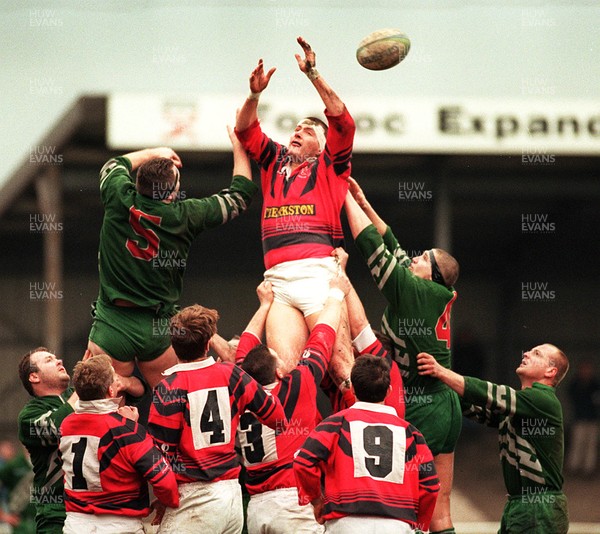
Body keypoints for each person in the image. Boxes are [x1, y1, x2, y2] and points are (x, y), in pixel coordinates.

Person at [87, 126, 258, 389]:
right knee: (173, 405)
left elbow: (114, 164)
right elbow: (240, 195)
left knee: (107, 404)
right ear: (172, 193)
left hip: (113, 321)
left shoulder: (117, 194)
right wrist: (238, 144)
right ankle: (222, 351)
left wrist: (155, 152)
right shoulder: (186, 215)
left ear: (137, 183)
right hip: (158, 328)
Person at [235, 36, 356, 387]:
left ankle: (361, 433)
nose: (298, 131)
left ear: (322, 146)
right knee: (284, 373)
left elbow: (343, 122)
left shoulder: (330, 166)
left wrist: (313, 73)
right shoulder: (274, 161)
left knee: (341, 368)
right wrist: (254, 95)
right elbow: (245, 129)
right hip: (278, 281)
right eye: (296, 127)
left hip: (318, 275)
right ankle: (298, 441)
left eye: (308, 129)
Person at [344, 179, 460, 534]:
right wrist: (364, 202)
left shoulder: (416, 290)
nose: (415, 257)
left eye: (424, 258)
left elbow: (372, 248)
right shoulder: (428, 290)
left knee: (407, 503)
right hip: (444, 403)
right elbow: (391, 245)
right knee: (440, 512)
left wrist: (340, 192)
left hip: (424, 404)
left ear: (433, 275)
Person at [148, 303, 288, 534]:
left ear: (173, 345)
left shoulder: (168, 389)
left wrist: (166, 499)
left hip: (193, 497)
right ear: (208, 343)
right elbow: (278, 419)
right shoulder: (232, 374)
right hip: (231, 498)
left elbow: (160, 461)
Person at [235, 274, 350, 534]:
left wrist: (264, 305)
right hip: (293, 501)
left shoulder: (241, 389)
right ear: (277, 373)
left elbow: (246, 344)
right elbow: (322, 338)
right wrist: (335, 294)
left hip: (256, 507)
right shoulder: (295, 387)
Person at [417, 343, 570, 534]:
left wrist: (442, 372)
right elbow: (477, 409)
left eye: (536, 353)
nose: (527, 353)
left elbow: (490, 393)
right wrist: (441, 391)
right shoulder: (519, 407)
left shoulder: (543, 400)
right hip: (521, 505)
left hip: (539, 508)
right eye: (529, 350)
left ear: (550, 371)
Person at [293, 354, 439, 534]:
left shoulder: (335, 425)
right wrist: (421, 525)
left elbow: (303, 462)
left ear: (352, 389)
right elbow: (431, 486)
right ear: (389, 391)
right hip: (397, 526)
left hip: (345, 525)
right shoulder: (413, 434)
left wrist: (316, 500)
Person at [17, 347, 141, 534]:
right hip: (57, 514)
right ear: (34, 377)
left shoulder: (77, 396)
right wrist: (84, 384)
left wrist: (124, 381)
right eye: (49, 360)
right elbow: (58, 426)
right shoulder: (29, 415)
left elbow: (140, 390)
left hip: (98, 511)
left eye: (56, 357)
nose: (58, 360)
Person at [58, 354, 179, 534]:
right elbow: (164, 482)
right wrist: (168, 502)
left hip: (75, 525)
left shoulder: (66, 425)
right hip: (120, 526)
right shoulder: (127, 429)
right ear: (111, 391)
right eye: (115, 380)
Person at [566, 358, 600, 477]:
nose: (586, 371)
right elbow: (572, 398)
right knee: (577, 444)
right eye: (584, 369)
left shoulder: (595, 384)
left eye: (588, 369)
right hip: (579, 419)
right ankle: (574, 468)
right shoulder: (575, 384)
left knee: (591, 445)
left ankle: (588, 469)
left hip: (592, 419)